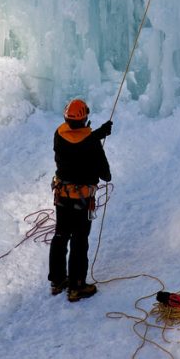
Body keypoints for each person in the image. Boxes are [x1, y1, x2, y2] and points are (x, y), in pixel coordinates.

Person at [48, 97, 112, 302]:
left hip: (62, 197)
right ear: (84, 119)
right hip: (82, 199)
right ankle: (77, 286)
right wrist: (96, 139)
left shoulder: (59, 134)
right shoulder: (91, 143)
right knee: (79, 240)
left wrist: (97, 134)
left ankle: (58, 280)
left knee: (61, 235)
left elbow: (78, 142)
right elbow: (105, 175)